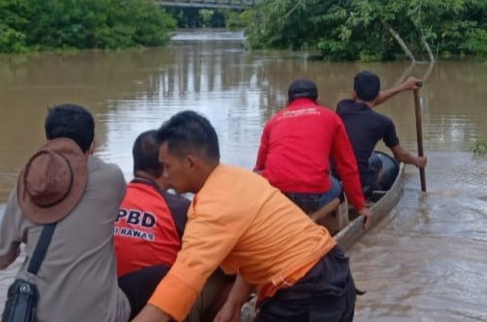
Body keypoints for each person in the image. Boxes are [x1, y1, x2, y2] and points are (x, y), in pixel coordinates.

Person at [130, 110, 359, 322]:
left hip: (307, 293)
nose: (165, 176)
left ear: (190, 163)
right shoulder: (239, 178)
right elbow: (256, 252)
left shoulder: (212, 209)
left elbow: (181, 284)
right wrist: (234, 302)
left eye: (167, 166)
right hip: (335, 272)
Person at [0, 103, 130, 322]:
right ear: (92, 146)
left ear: (48, 142)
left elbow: (0, 260)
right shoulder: (112, 179)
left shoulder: (26, 187)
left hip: (35, 314)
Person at [115, 130, 233, 322]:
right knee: (229, 271)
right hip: (161, 308)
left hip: (114, 304)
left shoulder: (109, 202)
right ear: (165, 167)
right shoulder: (178, 208)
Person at [254, 78, 370, 223]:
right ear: (318, 99)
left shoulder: (273, 121)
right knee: (339, 191)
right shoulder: (331, 117)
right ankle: (313, 218)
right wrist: (359, 205)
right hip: (312, 195)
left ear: (287, 101)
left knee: (261, 176)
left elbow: (259, 167)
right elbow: (347, 165)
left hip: (278, 194)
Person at [336, 71, 428, 196]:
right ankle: (367, 194)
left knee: (371, 158)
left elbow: (369, 101)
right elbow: (400, 156)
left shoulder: (342, 107)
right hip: (359, 183)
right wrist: (417, 161)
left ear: (354, 93)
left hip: (334, 177)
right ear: (376, 95)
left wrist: (403, 87)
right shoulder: (383, 122)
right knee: (378, 162)